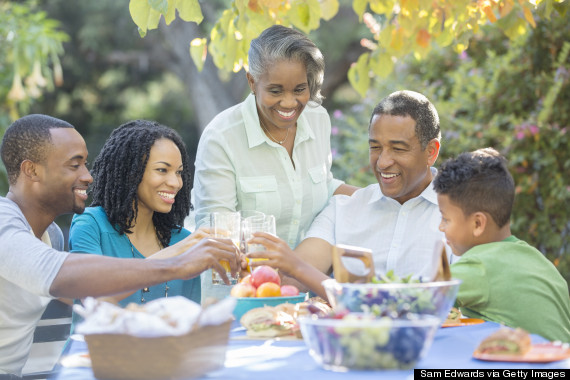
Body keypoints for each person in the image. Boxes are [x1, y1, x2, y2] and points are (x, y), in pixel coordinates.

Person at [0, 114, 239, 377]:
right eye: (74, 165)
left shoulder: (51, 237)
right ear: (31, 170)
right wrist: (177, 264)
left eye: (86, 165)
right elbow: (81, 289)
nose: (88, 177)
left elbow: (78, 294)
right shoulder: (3, 221)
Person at [192, 25, 357, 298]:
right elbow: (216, 238)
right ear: (252, 82)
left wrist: (379, 199)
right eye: (276, 91)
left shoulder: (317, 119)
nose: (289, 103)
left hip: (305, 294)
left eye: (300, 89)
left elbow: (324, 187)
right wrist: (270, 283)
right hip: (240, 298)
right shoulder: (221, 138)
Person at [247, 90, 451, 298]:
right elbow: (290, 278)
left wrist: (295, 266)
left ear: (431, 152)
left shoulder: (459, 214)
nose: (382, 162)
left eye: (398, 149)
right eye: (375, 147)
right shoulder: (342, 210)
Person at [68, 120, 208, 333]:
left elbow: (189, 325)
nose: (175, 183)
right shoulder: (90, 225)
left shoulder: (184, 241)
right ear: (130, 172)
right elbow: (94, 300)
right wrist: (175, 256)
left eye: (179, 172)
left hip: (166, 359)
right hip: (95, 359)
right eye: (162, 170)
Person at [433, 148, 570, 342]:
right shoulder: (540, 261)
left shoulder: (480, 265)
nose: (440, 227)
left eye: (445, 219)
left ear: (477, 224)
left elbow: (425, 298)